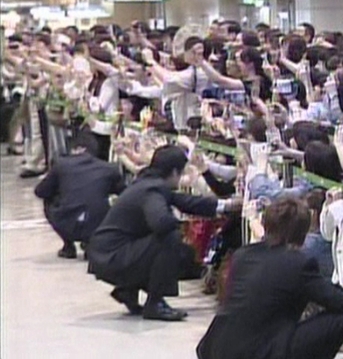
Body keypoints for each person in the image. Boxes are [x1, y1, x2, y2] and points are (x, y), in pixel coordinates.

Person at [196, 196, 343, 359]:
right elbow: (340, 302)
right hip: (258, 351)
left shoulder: (243, 255)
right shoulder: (298, 263)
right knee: (337, 321)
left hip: (217, 347)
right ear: (303, 233)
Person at [87, 145, 242, 322]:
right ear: (175, 172)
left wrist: (226, 205)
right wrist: (180, 223)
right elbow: (160, 222)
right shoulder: (153, 190)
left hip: (106, 252)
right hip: (113, 256)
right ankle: (155, 303)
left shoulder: (148, 183)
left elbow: (185, 201)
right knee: (170, 238)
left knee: (171, 245)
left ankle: (128, 289)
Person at [34, 131, 125, 259]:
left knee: (48, 200)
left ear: (76, 149)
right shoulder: (109, 168)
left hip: (67, 223)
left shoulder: (61, 164)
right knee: (110, 201)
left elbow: (40, 191)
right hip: (97, 223)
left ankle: (68, 245)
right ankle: (92, 242)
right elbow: (125, 193)